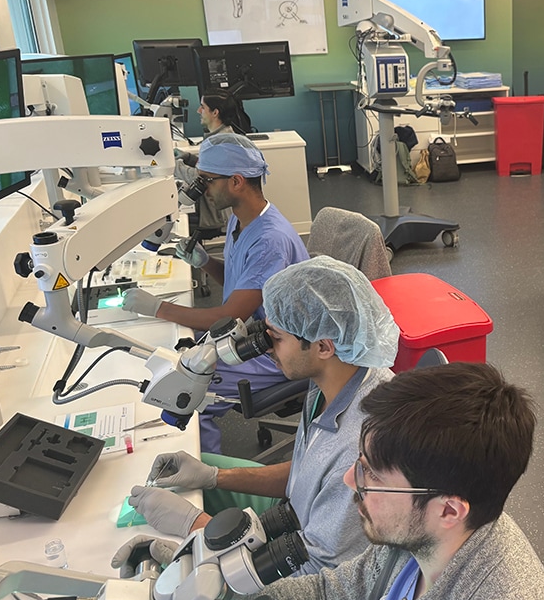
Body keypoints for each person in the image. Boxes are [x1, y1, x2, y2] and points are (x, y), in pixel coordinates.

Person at [116, 364, 544, 600]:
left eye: (373, 474)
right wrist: (211, 591)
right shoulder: (421, 544)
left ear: (449, 509)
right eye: (361, 461)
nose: (350, 480)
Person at [125, 257, 399, 574]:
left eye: (277, 338)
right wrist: (214, 477)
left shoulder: (360, 450)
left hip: (311, 574)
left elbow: (314, 578)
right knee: (190, 476)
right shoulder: (333, 378)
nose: (267, 348)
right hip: (294, 513)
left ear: (323, 346)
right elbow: (308, 473)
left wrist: (195, 526)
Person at [122, 134, 309, 453]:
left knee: (186, 389)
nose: (203, 189)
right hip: (251, 331)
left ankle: (205, 480)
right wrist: (206, 263)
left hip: (278, 351)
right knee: (169, 355)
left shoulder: (269, 240)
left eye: (207, 180)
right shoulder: (242, 219)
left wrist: (157, 308)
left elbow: (229, 315)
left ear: (236, 181)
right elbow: (245, 287)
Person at [174, 89, 252, 234]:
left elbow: (201, 177)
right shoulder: (220, 136)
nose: (198, 111)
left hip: (218, 210)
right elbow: (213, 168)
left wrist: (172, 166)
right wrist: (188, 158)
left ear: (215, 112)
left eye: (203, 107)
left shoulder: (220, 142)